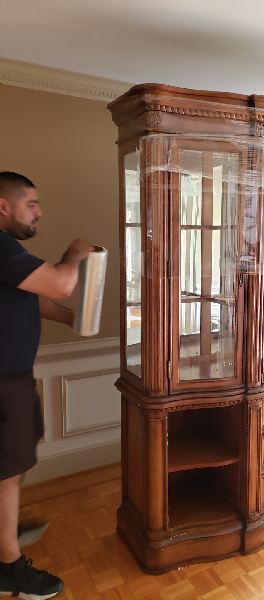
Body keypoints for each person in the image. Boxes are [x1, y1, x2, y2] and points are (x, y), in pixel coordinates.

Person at [0, 171, 95, 599]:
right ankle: (9, 567)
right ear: (4, 206)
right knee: (8, 475)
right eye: (32, 204)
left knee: (7, 472)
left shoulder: (10, 255)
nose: (39, 212)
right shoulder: (0, 248)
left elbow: (35, 295)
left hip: (11, 381)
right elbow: (58, 280)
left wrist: (74, 317)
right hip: (3, 385)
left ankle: (4, 536)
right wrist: (73, 255)